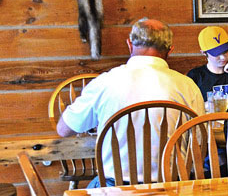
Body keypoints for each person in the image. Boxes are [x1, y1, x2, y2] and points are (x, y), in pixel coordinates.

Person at [56, 18, 203, 185]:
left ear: (129, 45)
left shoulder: (105, 82)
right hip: (173, 189)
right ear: (170, 50)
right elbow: (198, 141)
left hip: (116, 191)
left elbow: (63, 130)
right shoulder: (188, 86)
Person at [186, 25, 228, 100]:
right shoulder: (196, 76)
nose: (223, 57)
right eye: (217, 53)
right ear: (204, 53)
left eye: (226, 51)